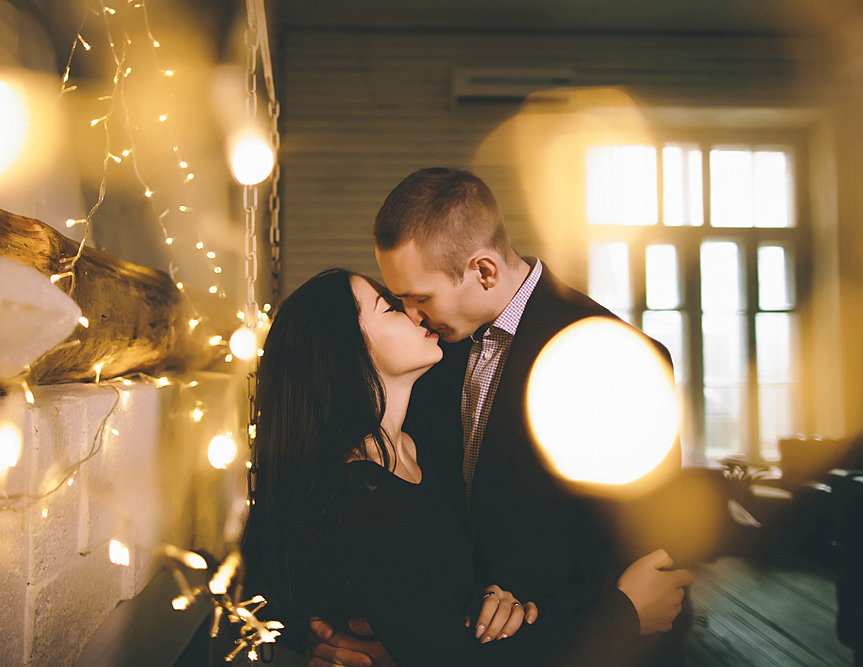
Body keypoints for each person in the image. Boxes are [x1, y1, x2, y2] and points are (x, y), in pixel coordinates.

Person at [309, 168, 693, 667]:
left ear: (484, 271)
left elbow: (644, 563)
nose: (411, 316)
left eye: (420, 298)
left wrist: (525, 622)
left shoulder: (614, 358)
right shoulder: (432, 352)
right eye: (400, 300)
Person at [242, 268, 688, 667]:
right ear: (346, 351)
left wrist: (491, 600)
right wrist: (317, 636)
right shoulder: (359, 495)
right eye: (391, 308)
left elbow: (447, 582)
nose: (417, 314)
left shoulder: (416, 443)